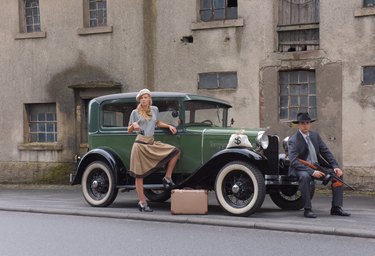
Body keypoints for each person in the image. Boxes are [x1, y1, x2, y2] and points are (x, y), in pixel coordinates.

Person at [288, 112, 350, 218]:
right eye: (302, 123)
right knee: (305, 176)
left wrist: (335, 166)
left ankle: (336, 207)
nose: (305, 125)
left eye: (307, 123)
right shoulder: (293, 140)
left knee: (338, 175)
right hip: (300, 168)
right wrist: (312, 172)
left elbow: (325, 151)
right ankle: (307, 209)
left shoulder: (314, 135)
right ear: (298, 125)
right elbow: (293, 161)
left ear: (310, 124)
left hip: (317, 166)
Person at [128, 89, 180, 212]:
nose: (143, 99)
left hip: (151, 142)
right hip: (140, 145)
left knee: (175, 151)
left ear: (149, 99)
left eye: (145, 97)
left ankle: (167, 178)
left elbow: (157, 123)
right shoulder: (135, 112)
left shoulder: (154, 109)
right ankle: (142, 202)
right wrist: (133, 126)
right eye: (141, 98)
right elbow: (129, 130)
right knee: (139, 175)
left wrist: (169, 126)